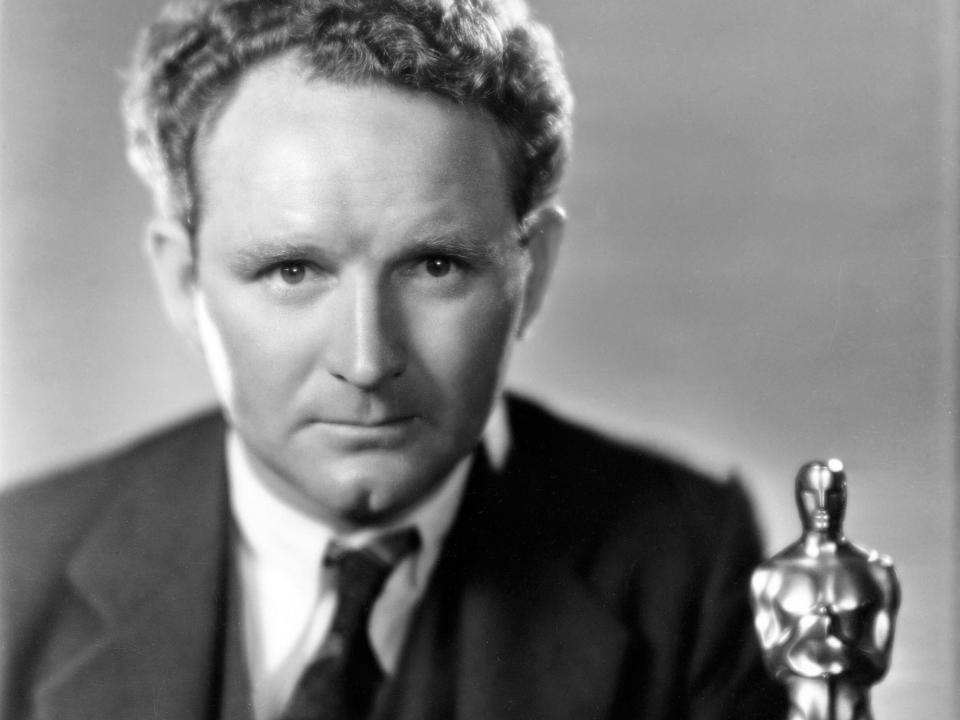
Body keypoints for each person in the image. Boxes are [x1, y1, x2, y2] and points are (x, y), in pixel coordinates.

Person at [0, 1, 787, 718]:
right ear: (182, 283)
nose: (367, 361)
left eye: (435, 265)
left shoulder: (687, 568)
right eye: (292, 271)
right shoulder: (13, 574)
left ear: (532, 274)